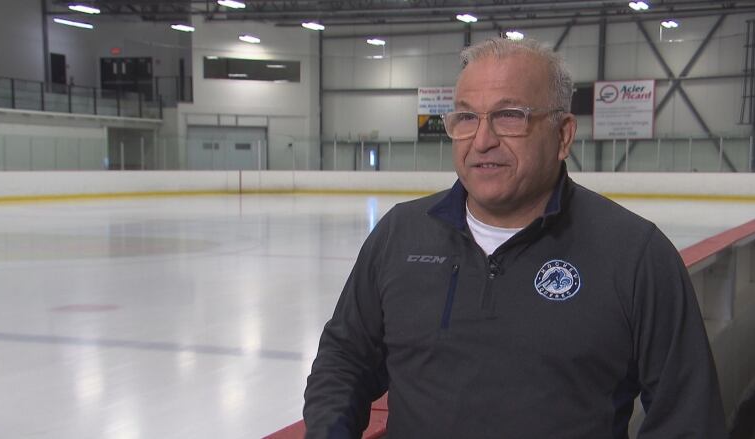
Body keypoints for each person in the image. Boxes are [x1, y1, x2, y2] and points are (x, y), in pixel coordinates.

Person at [304, 37, 726, 438]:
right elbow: (344, 360)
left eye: (510, 116)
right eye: (467, 117)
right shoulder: (399, 235)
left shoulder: (635, 255)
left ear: (562, 136)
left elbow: (687, 419)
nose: (483, 141)